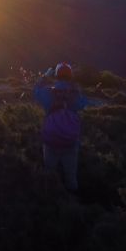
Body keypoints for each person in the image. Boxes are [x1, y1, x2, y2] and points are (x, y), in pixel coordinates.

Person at [33, 62, 88, 192]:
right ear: (70, 76)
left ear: (56, 76)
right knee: (71, 176)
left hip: (51, 141)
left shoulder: (47, 94)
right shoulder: (75, 95)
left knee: (50, 173)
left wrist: (45, 77)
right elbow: (83, 103)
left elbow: (35, 90)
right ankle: (73, 202)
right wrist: (75, 89)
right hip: (70, 142)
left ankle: (52, 198)